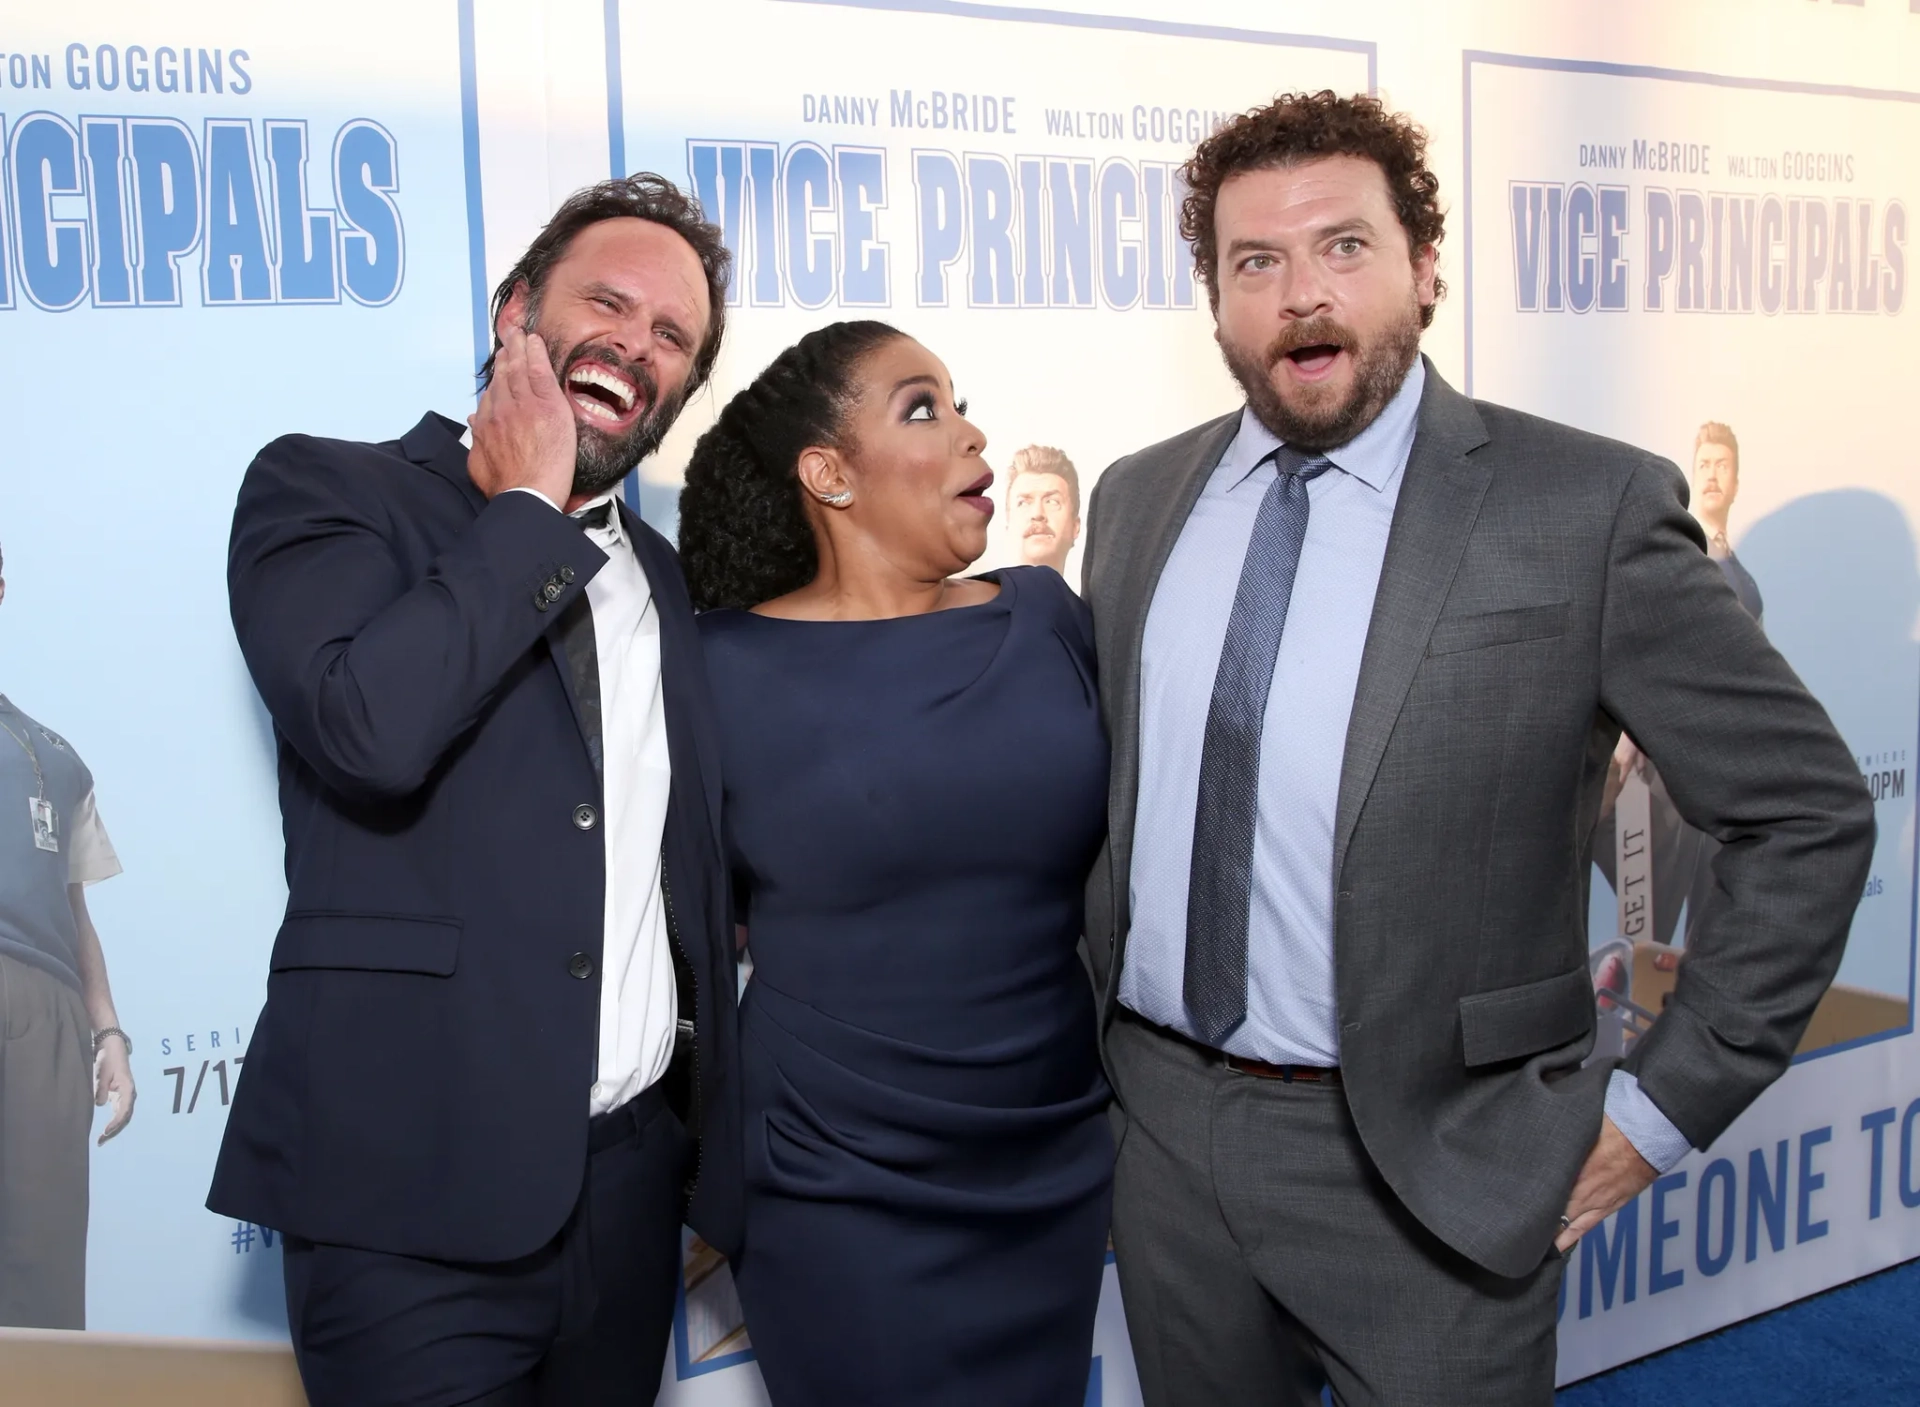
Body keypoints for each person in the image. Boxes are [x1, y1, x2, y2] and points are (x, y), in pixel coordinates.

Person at [1080, 92, 1874, 1405]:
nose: (1299, 294)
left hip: (1435, 1167)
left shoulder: (1585, 506)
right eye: (1255, 262)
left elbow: (1807, 814)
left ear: (1425, 267)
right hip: (1162, 1139)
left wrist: (1655, 1114)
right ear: (1214, 298)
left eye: (1343, 246)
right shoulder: (1137, 497)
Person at [208, 175, 742, 1407]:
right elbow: (367, 731)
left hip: (627, 1201)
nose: (636, 345)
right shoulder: (328, 491)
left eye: (672, 337)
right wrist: (522, 509)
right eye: (605, 303)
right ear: (514, 317)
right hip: (406, 1209)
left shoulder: (662, 577)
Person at [676, 321, 1113, 1407]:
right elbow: (684, 919)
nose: (971, 433)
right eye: (922, 408)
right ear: (827, 474)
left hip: (1051, 1151)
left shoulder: (1047, 617)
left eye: (960, 402)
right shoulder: (719, 665)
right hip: (839, 1177)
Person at [0, 542, 135, 1330]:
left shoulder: (58, 756)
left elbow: (75, 908)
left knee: (42, 1271)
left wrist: (108, 1031)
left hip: (49, 1011)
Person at [1004, 445, 1083, 575]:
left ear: (1075, 527)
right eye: (1023, 503)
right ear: (1008, 524)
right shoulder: (976, 594)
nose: (1037, 513)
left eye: (1052, 502)